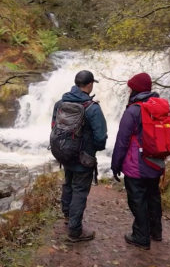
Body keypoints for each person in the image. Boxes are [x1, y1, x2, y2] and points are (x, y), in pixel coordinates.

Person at [111, 72, 165, 250]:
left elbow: (122, 141)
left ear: (136, 89)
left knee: (138, 199)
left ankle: (141, 236)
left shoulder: (133, 110)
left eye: (131, 87)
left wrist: (115, 165)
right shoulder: (159, 107)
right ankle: (155, 232)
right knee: (153, 196)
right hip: (155, 161)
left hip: (137, 165)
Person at [52, 70, 107, 242]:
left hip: (64, 152)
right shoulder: (92, 108)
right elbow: (101, 137)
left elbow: (54, 127)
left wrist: (65, 147)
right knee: (80, 191)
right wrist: (93, 150)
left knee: (68, 183)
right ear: (90, 84)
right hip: (84, 157)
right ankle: (75, 231)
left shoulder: (60, 103)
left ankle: (68, 216)